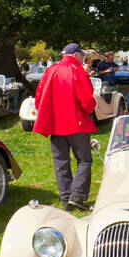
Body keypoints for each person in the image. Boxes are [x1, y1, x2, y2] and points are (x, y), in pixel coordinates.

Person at [32, 43, 98, 211]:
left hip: (55, 124)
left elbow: (39, 96)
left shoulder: (50, 70)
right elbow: (87, 99)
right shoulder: (78, 71)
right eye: (81, 55)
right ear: (75, 54)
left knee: (61, 162)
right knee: (84, 160)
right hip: (76, 122)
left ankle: (66, 199)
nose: (83, 57)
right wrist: (90, 109)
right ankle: (77, 196)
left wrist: (46, 114)